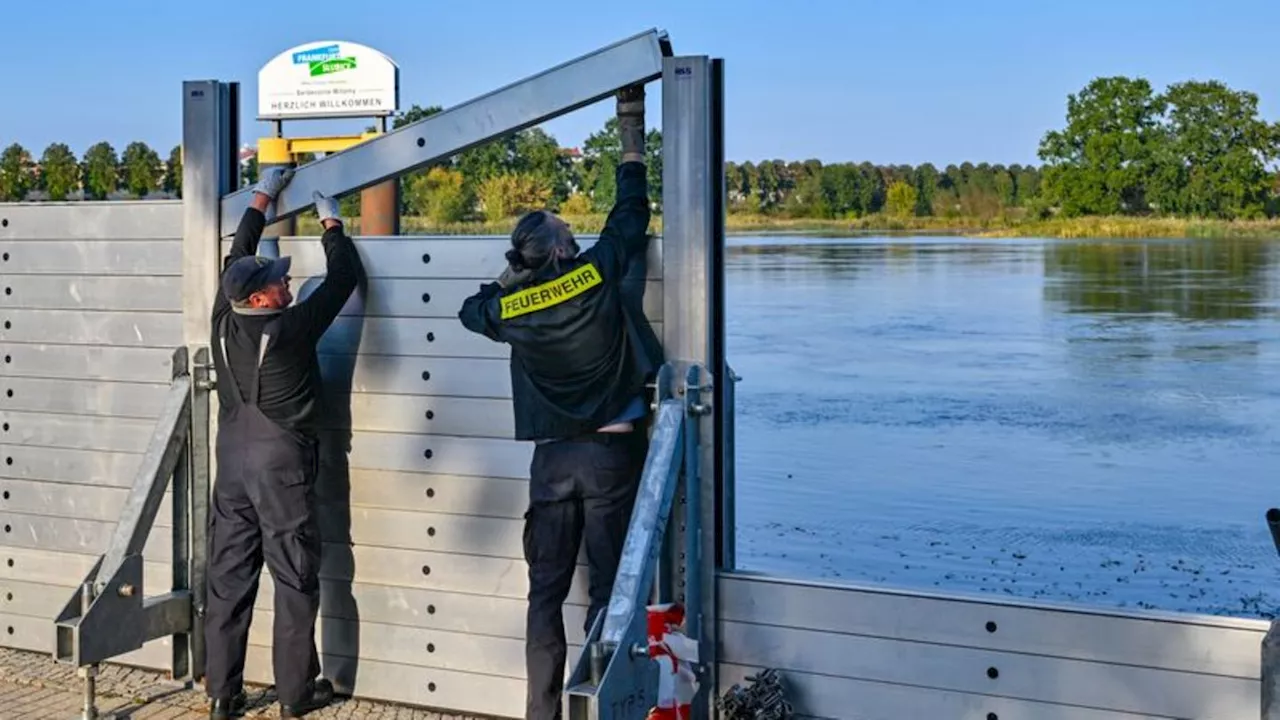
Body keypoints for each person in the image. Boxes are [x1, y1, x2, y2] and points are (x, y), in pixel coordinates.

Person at [458, 83, 660, 720]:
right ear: (566, 251)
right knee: (610, 590)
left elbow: (471, 312)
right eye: (569, 232)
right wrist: (631, 127)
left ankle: (541, 712)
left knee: (544, 593)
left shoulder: (512, 309)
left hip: (551, 466)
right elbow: (631, 214)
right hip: (610, 455)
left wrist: (511, 273)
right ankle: (606, 705)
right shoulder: (595, 275)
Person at [204, 168, 363, 720]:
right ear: (261, 297)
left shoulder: (222, 318)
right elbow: (344, 277)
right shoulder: (293, 328)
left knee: (228, 577)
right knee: (294, 577)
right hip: (282, 470)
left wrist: (262, 196)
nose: (288, 284)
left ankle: (223, 696)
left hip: (231, 464)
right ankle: (296, 695)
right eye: (279, 280)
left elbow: (238, 252)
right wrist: (333, 224)